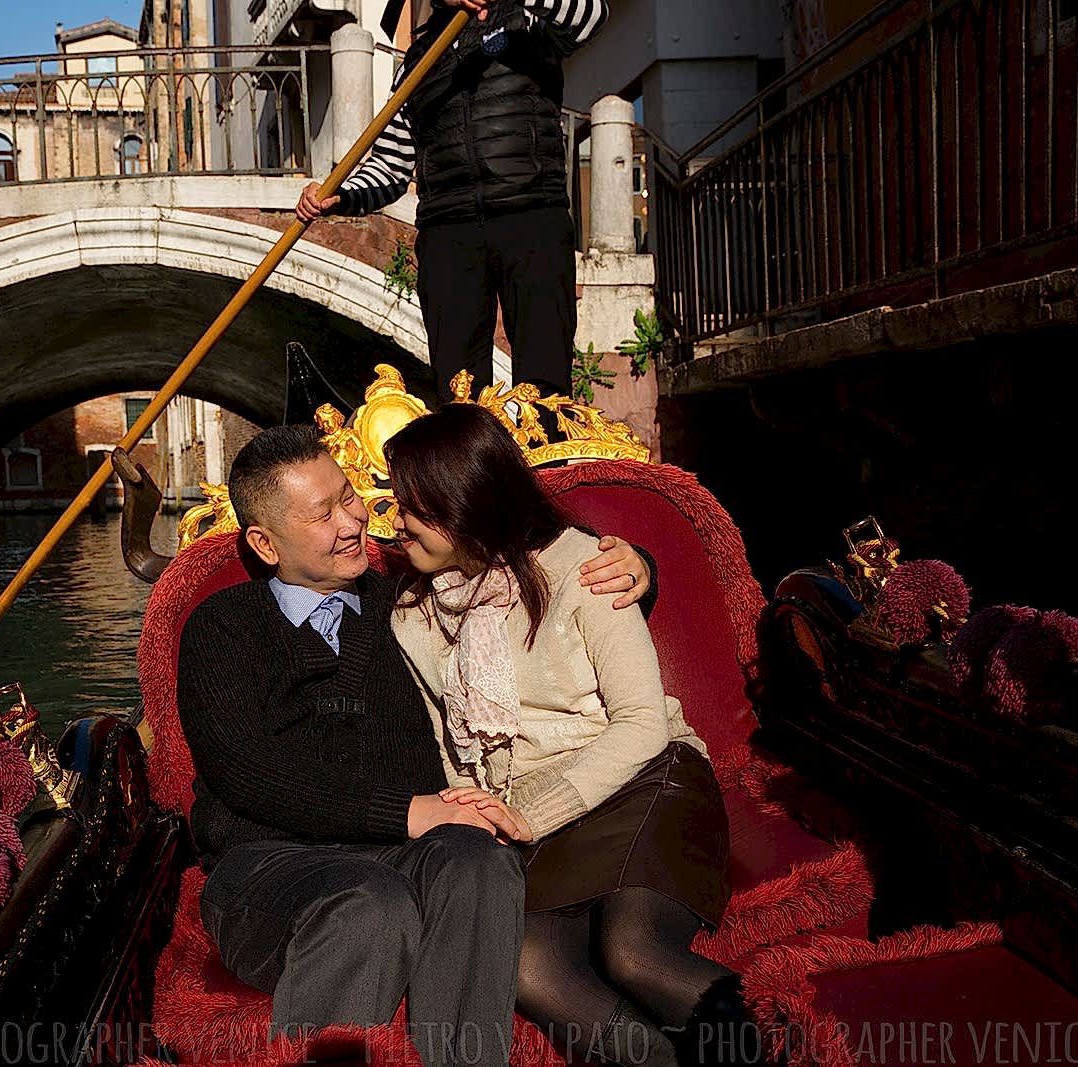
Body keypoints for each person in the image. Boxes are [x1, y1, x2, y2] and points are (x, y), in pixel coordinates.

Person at [175, 423, 653, 1067]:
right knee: (371, 905)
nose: (354, 522)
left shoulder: (410, 601)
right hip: (267, 868)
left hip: (401, 854)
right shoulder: (222, 626)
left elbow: (511, 553)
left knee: (480, 857)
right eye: (323, 514)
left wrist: (639, 564)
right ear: (265, 543)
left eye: (350, 497)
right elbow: (249, 773)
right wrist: (408, 812)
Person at [385, 405, 758, 1067]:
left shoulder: (586, 566)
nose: (393, 520)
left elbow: (642, 725)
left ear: (462, 504)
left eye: (410, 506)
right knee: (527, 963)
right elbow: (454, 751)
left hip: (647, 778)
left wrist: (532, 813)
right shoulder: (412, 617)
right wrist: (484, 818)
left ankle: (770, 1050)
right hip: (535, 818)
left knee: (634, 952)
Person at [296, 0, 607, 401]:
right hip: (448, 232)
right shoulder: (416, 63)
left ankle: (550, 462)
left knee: (546, 385)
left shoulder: (527, 20)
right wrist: (341, 194)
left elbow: (592, 17)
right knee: (458, 395)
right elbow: (391, 167)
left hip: (531, 214)